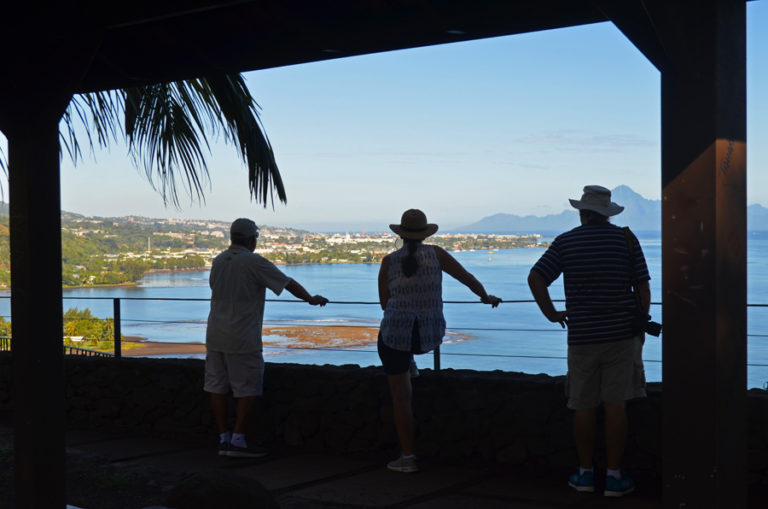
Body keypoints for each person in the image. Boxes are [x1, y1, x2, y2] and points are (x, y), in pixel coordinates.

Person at [527, 185, 650, 497]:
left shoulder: (566, 242)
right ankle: (613, 476)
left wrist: (552, 314)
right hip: (621, 336)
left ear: (581, 213)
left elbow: (536, 277)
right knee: (616, 405)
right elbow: (643, 287)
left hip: (582, 336)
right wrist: (640, 324)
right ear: (607, 213)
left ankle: (583, 474)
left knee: (582, 406)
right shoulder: (625, 239)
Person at [378, 209, 502, 473]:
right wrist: (485, 296)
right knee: (408, 341)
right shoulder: (437, 254)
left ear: (400, 235)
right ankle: (412, 360)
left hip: (396, 335)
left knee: (401, 399)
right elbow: (467, 278)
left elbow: (384, 304)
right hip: (428, 335)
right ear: (425, 234)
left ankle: (408, 457)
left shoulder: (388, 261)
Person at [205, 218, 328, 458]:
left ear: (232, 238)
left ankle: (223, 438)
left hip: (214, 334)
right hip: (242, 336)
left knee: (216, 387)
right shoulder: (254, 262)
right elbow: (287, 283)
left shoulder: (218, 261)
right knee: (247, 387)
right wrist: (310, 298)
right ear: (252, 240)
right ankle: (239, 440)